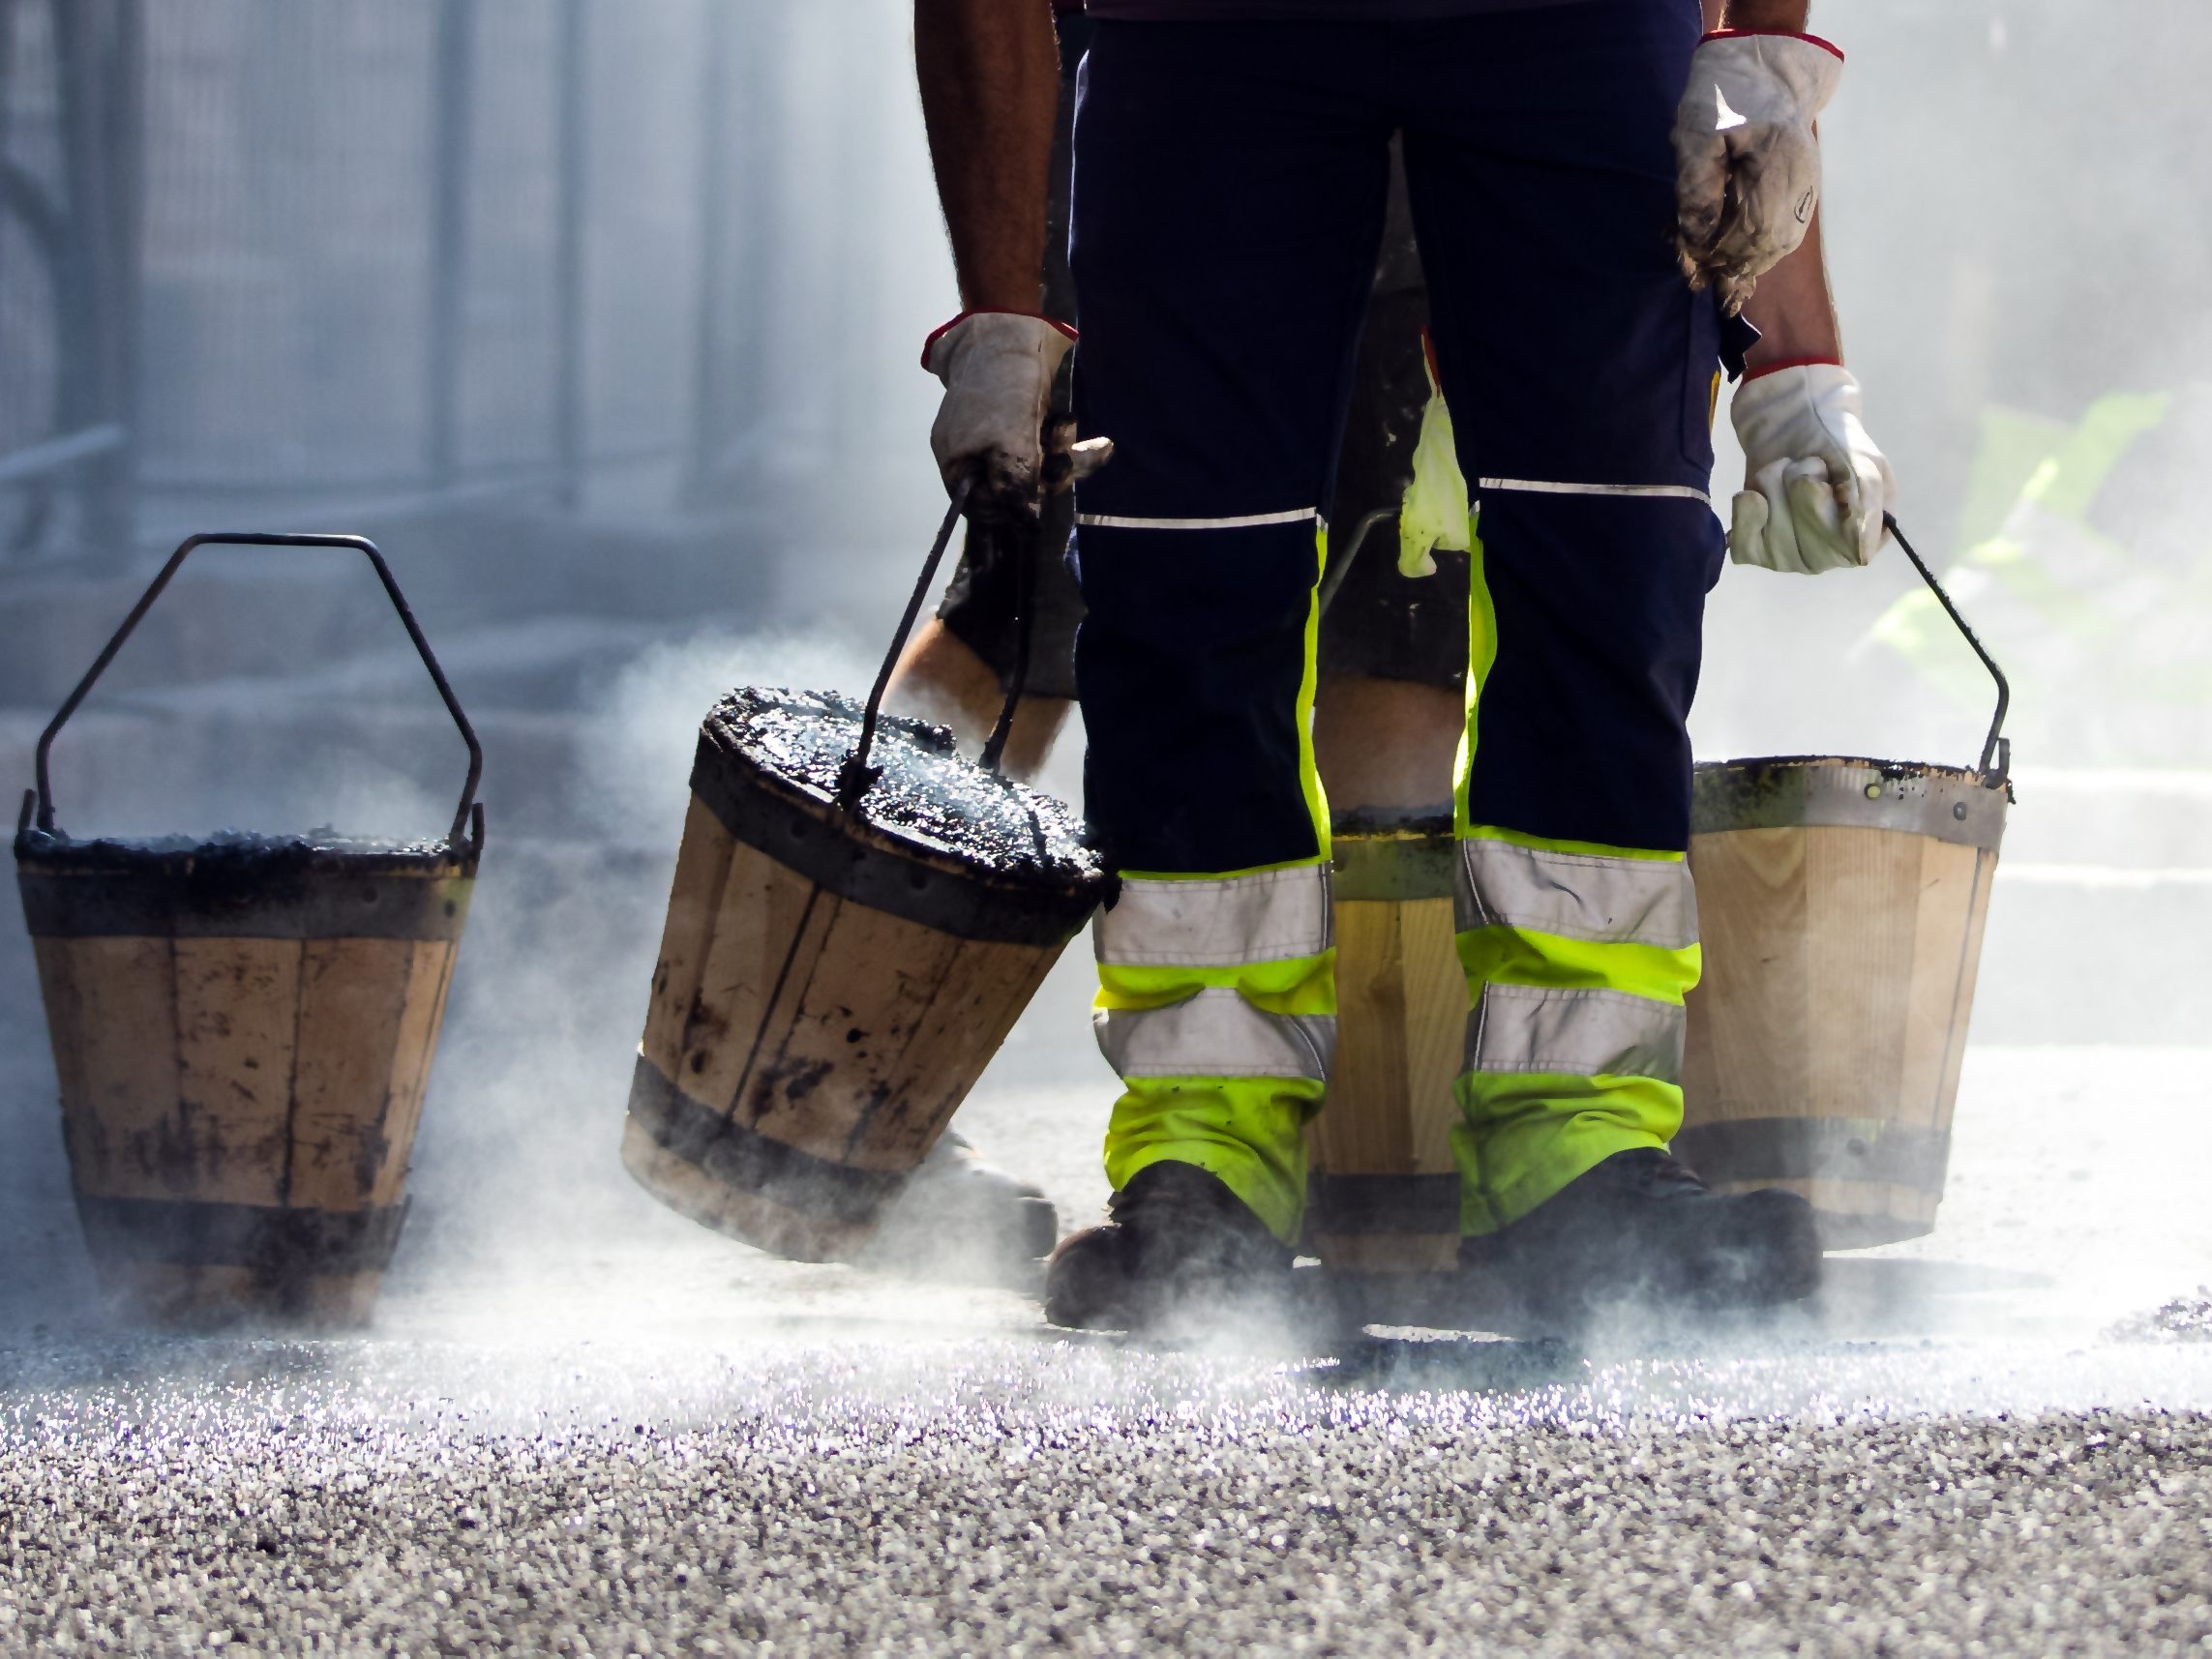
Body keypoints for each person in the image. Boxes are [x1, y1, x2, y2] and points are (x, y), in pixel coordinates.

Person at [913, 0, 1895, 1330]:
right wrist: (1000, 314)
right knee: (1188, 575)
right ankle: (1204, 1154)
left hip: (1563, 38)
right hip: (1208, 42)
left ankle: (1578, 1143)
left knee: (1604, 558)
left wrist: (1767, 76)